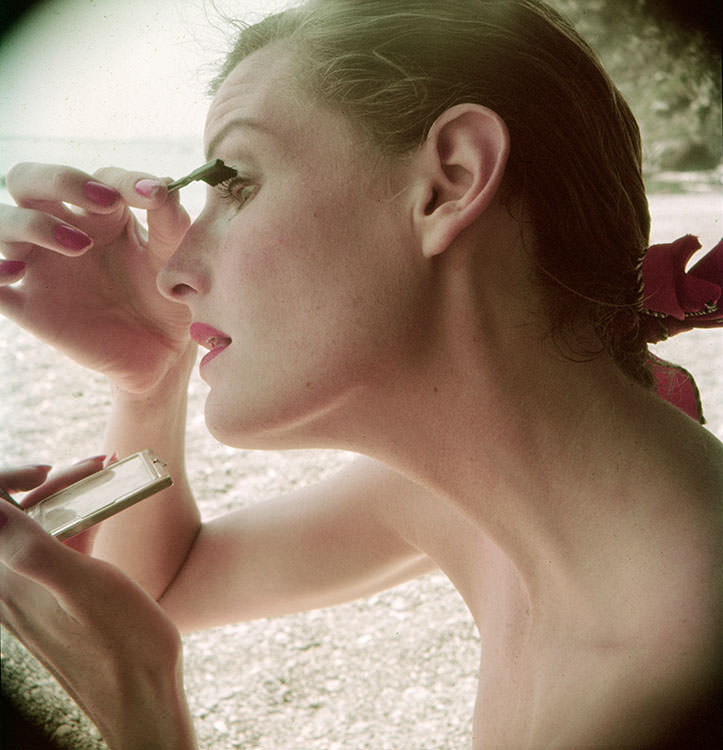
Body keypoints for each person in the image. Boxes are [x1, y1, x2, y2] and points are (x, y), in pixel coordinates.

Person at [0, 0, 721, 747]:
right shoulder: (487, 495)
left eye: (236, 181)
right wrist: (149, 381)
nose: (173, 271)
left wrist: (144, 726)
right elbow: (160, 586)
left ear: (451, 179)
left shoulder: (681, 676)